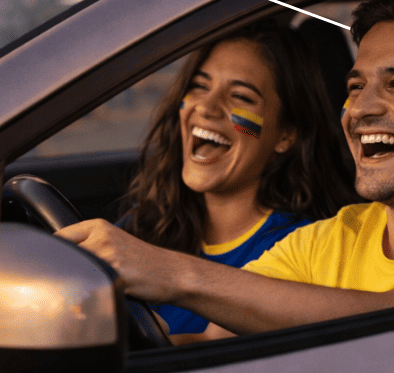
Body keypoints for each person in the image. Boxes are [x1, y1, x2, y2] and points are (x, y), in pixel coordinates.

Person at [57, 0, 394, 342]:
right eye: (354, 86)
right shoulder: (328, 239)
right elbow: (211, 343)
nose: (362, 107)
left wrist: (169, 273)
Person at [113, 23, 359, 344]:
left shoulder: (300, 251)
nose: (206, 107)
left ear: (285, 135)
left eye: (240, 96)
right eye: (200, 86)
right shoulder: (146, 222)